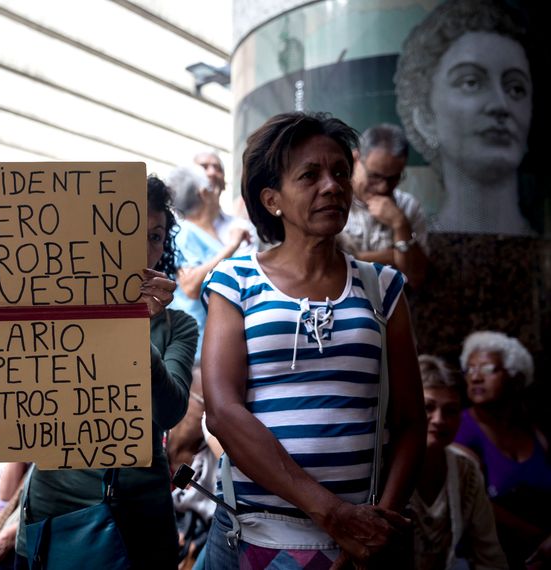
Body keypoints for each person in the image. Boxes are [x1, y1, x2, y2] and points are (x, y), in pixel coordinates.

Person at [0, 174, 198, 568]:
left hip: (137, 518)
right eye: (128, 232)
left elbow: (170, 411)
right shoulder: (47, 311)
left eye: (156, 236)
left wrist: (130, 327)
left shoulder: (176, 325)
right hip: (51, 509)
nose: (143, 249)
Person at [201, 111, 426, 568]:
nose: (332, 186)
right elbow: (223, 411)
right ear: (272, 199)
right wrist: (333, 514)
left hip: (358, 546)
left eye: (340, 172)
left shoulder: (383, 287)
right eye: (310, 175)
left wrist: (374, 526)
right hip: (258, 535)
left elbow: (410, 423)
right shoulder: (235, 280)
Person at [394, 0, 535, 235]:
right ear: (425, 117)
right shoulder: (414, 244)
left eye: (516, 89)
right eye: (471, 83)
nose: (501, 105)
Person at [454, 331, 551, 569]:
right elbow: (473, 504)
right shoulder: (460, 429)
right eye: (470, 369)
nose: (476, 378)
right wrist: (541, 539)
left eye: (487, 369)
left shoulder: (533, 429)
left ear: (514, 376)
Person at [410, 354, 506, 570]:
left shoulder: (465, 470)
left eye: (451, 410)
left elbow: (489, 554)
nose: (439, 420)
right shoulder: (381, 467)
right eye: (428, 407)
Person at [167, 163, 256, 364]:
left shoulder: (207, 233)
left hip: (219, 345)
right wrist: (232, 246)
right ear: (204, 193)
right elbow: (190, 285)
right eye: (212, 188)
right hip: (196, 351)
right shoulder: (184, 232)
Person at [340, 124, 429, 287]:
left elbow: (416, 279)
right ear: (355, 159)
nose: (383, 187)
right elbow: (327, 266)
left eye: (393, 178)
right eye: (375, 176)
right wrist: (393, 256)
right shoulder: (335, 200)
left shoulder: (408, 206)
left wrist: (401, 225)